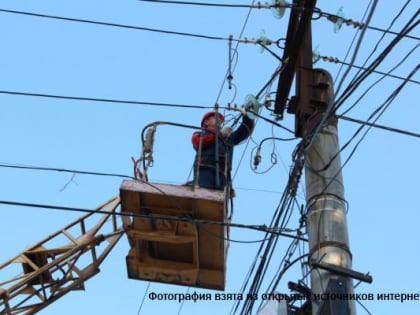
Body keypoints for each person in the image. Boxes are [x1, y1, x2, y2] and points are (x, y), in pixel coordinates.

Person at [191, 109, 255, 190]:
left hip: (223, 175)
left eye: (221, 120)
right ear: (206, 122)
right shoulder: (199, 134)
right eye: (215, 118)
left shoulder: (228, 138)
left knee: (220, 197)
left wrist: (247, 116)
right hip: (205, 172)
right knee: (204, 193)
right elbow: (198, 142)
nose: (220, 120)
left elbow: (245, 131)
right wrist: (220, 134)